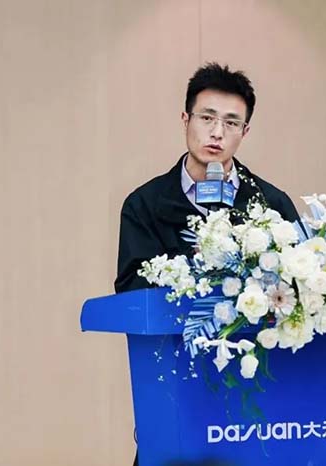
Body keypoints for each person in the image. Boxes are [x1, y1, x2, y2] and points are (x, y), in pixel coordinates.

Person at [114, 63, 308, 466]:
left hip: (260, 385)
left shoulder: (271, 204)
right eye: (207, 118)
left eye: (231, 123)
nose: (217, 132)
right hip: (177, 382)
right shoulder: (145, 204)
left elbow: (301, 290)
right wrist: (196, 272)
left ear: (245, 132)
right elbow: (132, 289)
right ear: (185, 119)